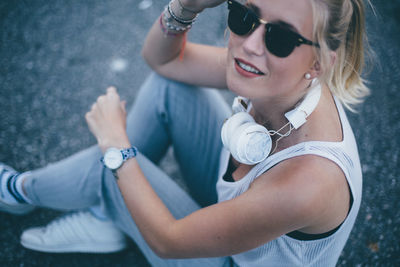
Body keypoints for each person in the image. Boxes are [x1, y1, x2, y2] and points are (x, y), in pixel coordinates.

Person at [0, 0, 370, 266]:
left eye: (281, 39)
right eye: (244, 16)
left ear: (319, 63)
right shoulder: (281, 77)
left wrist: (115, 147)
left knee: (111, 163)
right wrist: (185, 7)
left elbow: (167, 241)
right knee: (170, 90)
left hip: (230, 261)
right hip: (234, 222)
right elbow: (163, 61)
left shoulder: (309, 183)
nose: (251, 45)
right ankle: (109, 212)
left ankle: (19, 190)